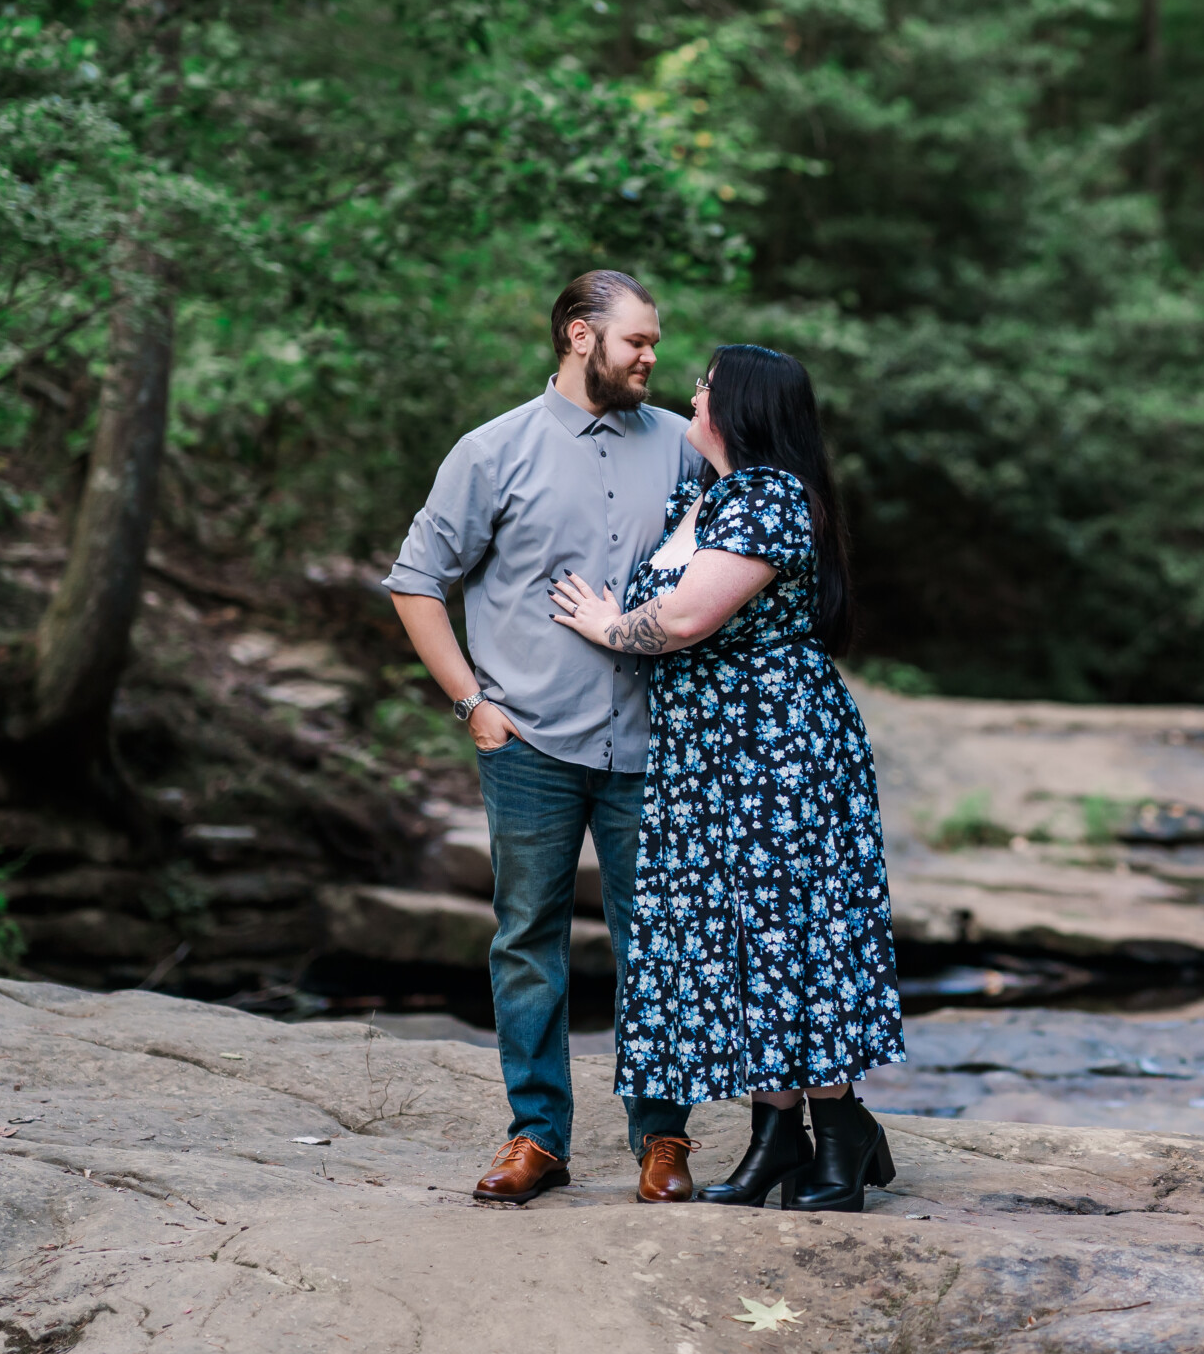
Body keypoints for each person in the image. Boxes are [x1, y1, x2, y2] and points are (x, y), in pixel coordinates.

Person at [550, 343, 906, 1213]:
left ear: (740, 407)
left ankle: (840, 1128)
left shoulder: (771, 497)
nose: (693, 392)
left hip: (775, 747)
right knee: (745, 936)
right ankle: (778, 1132)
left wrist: (608, 623)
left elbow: (681, 618)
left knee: (791, 928)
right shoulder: (704, 496)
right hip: (714, 751)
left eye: (707, 384)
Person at [383, 269, 709, 1207]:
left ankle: (664, 1136)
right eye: (636, 341)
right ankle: (537, 1136)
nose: (653, 356)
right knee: (529, 937)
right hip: (529, 744)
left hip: (656, 747)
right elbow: (417, 580)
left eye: (654, 341)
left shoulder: (685, 450)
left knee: (662, 939)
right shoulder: (491, 451)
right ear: (578, 336)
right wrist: (471, 702)